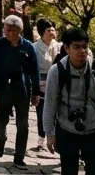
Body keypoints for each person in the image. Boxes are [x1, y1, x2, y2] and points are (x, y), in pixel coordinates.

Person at [43, 27, 95, 175]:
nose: (82, 51)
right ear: (66, 48)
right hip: (67, 129)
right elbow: (50, 104)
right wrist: (50, 134)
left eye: (85, 47)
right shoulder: (57, 71)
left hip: (94, 128)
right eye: (76, 47)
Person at [0, 15, 41, 168]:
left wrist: (36, 92)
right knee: (0, 122)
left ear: (19, 30)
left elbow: (34, 71)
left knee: (23, 125)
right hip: (3, 87)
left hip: (22, 89)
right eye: (6, 29)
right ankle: (1, 140)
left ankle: (19, 158)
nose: (8, 32)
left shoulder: (28, 47)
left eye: (11, 30)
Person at [34, 19, 61, 150]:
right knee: (42, 111)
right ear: (42, 32)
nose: (52, 32)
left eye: (53, 29)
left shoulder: (59, 46)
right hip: (42, 80)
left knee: (56, 111)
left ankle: (56, 138)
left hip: (56, 79)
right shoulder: (35, 47)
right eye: (48, 30)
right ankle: (41, 138)